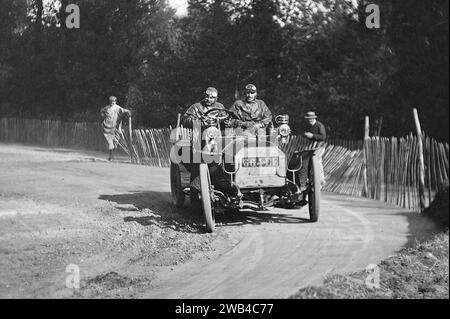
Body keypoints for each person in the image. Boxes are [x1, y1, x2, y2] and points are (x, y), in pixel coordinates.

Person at [299, 111, 326, 193]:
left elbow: (323, 137)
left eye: (311, 119)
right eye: (308, 119)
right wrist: (305, 134)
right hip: (310, 147)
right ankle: (307, 180)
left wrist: (313, 136)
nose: (309, 120)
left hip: (319, 147)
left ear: (314, 118)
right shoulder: (307, 125)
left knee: (317, 161)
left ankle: (320, 182)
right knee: (306, 162)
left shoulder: (319, 125)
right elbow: (302, 133)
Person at [100, 96, 131, 161]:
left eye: (113, 101)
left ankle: (111, 154)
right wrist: (103, 115)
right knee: (110, 142)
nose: (112, 102)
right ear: (109, 101)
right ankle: (111, 156)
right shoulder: (107, 108)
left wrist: (128, 112)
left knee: (115, 142)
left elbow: (124, 111)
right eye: (111, 101)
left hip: (115, 128)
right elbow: (102, 111)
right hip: (107, 128)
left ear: (115, 101)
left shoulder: (118, 108)